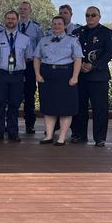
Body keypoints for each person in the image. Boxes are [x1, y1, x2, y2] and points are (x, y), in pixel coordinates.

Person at [33, 16, 83, 145]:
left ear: (65, 26)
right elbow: (37, 58)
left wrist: (75, 76)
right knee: (48, 106)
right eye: (54, 24)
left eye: (59, 24)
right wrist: (37, 74)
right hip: (47, 74)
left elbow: (78, 59)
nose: (57, 26)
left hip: (65, 74)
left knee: (65, 107)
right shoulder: (44, 40)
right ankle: (49, 135)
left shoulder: (72, 40)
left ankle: (61, 138)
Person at [71, 6, 112, 146]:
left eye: (93, 15)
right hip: (81, 76)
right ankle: (80, 135)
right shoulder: (77, 32)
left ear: (99, 17)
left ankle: (100, 138)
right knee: (79, 108)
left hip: (98, 77)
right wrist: (81, 65)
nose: (90, 17)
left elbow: (109, 53)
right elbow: (72, 51)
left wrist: (93, 65)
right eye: (87, 15)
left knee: (100, 109)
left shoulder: (107, 33)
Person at [0, 11, 34, 141]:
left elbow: (28, 57)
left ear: (17, 20)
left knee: (15, 104)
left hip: (17, 75)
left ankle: (13, 132)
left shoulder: (25, 38)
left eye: (13, 18)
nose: (10, 21)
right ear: (5, 20)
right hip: (0, 74)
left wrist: (16, 65)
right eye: (8, 18)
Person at [17, 1, 44, 134]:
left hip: (29, 66)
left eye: (25, 9)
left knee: (29, 95)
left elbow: (41, 47)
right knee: (13, 95)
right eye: (20, 9)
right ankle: (11, 123)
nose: (23, 11)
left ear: (30, 11)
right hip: (15, 66)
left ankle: (29, 123)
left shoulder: (36, 28)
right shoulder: (12, 25)